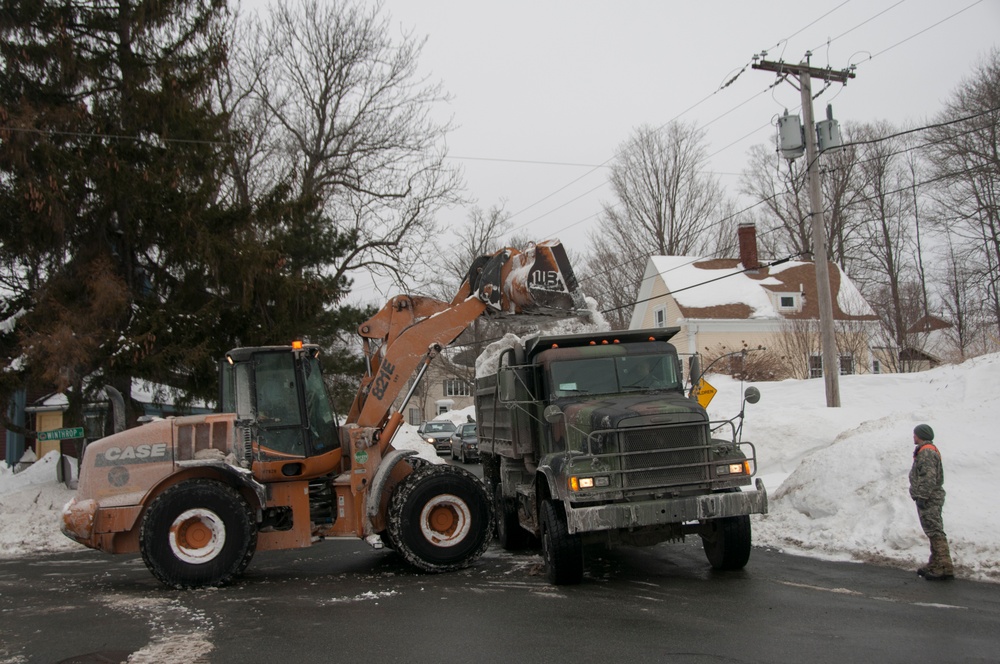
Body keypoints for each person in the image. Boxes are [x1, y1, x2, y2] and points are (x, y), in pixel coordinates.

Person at [908, 423, 955, 581]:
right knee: (932, 530)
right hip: (931, 495)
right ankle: (936, 563)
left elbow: (928, 477)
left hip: (929, 497)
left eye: (915, 434)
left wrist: (922, 496)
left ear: (921, 435)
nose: (913, 436)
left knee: (935, 531)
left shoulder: (926, 452)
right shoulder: (926, 450)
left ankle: (944, 567)